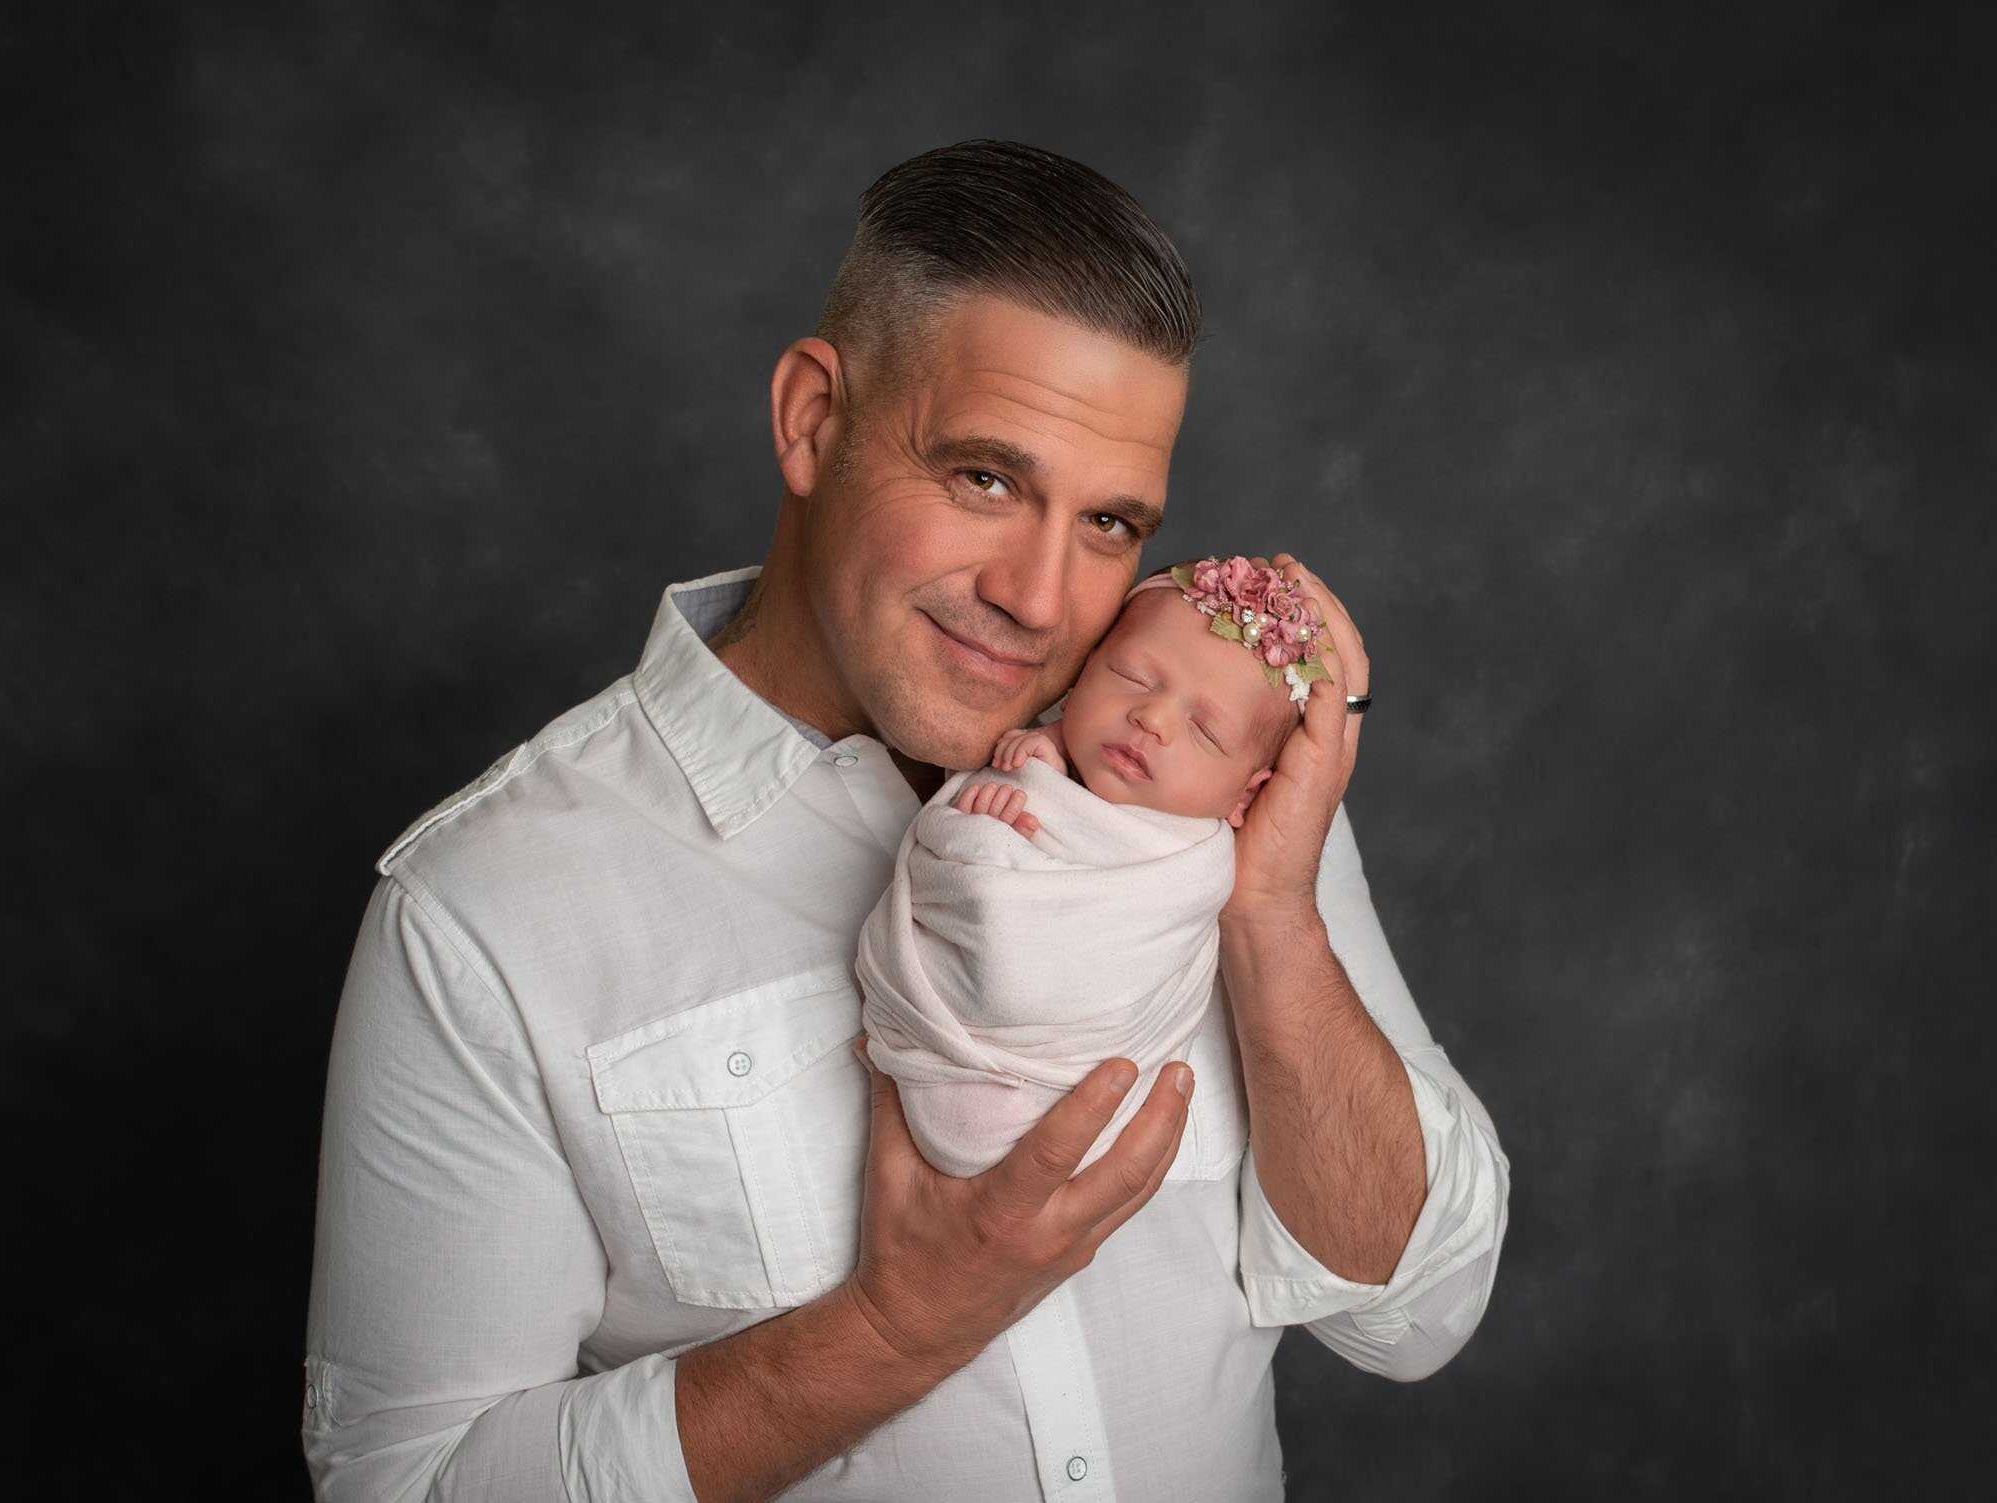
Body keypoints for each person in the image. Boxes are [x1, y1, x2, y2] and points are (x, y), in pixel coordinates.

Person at [303, 139, 1511, 1503]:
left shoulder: (1205, 781)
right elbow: (406, 1483)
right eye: (986, 478)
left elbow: (1413, 1314)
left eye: (1109, 518)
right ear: (814, 418)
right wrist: (891, 1329)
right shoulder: (486, 908)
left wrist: (1274, 910)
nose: (1043, 598)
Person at [853, 555, 1337, 1179]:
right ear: (1078, 681)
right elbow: (962, 869)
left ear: (1245, 796)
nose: (1152, 720)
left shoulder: (1200, 859)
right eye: (1132, 678)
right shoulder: (1025, 754)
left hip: (1069, 1072)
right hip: (954, 1044)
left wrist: (1005, 825)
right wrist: (992, 810)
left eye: (1205, 731)